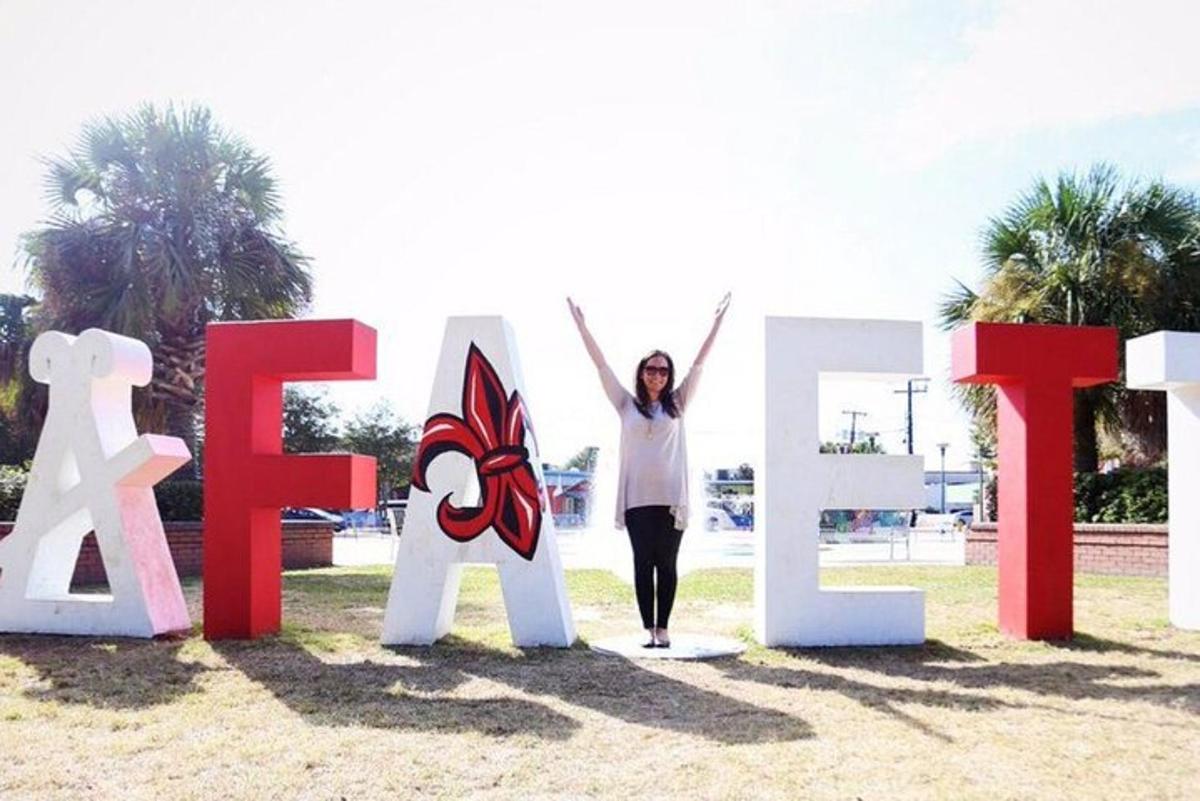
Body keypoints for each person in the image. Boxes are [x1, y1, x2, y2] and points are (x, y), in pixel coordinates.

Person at [567, 293, 730, 648]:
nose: (657, 374)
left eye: (663, 370)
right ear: (642, 373)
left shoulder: (678, 403)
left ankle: (664, 628)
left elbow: (699, 366)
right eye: (651, 368)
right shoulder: (626, 403)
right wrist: (582, 327)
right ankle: (647, 630)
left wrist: (716, 323)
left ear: (668, 376)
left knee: (667, 564)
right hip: (637, 500)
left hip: (672, 499)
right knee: (643, 563)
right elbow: (602, 367)